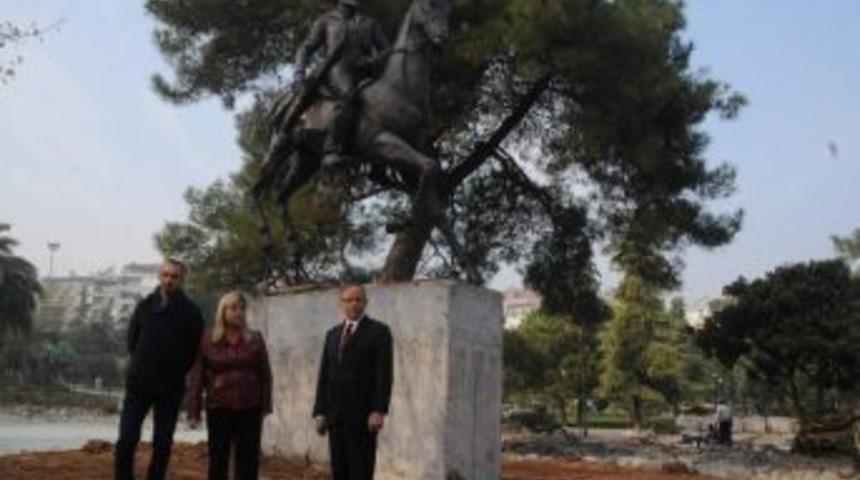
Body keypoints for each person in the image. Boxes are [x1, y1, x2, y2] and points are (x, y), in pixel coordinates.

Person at [115, 258, 204, 480]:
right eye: (165, 275)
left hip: (170, 387)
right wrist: (141, 363)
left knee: (163, 442)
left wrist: (174, 369)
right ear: (159, 276)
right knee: (127, 438)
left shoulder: (191, 312)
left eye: (174, 276)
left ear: (182, 279)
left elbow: (193, 351)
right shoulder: (144, 306)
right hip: (138, 383)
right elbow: (132, 340)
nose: (169, 280)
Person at [187, 291, 273, 480]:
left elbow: (265, 375)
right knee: (218, 461)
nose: (239, 312)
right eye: (233, 308)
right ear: (223, 311)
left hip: (249, 407)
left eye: (242, 308)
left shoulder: (255, 338)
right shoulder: (208, 338)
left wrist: (265, 406)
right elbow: (197, 377)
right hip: (218, 407)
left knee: (248, 462)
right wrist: (193, 411)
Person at [293, 0, 390, 165]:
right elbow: (306, 48)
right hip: (338, 71)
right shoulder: (326, 20)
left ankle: (380, 158)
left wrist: (373, 61)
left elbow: (387, 49)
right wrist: (299, 73)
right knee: (349, 95)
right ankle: (330, 147)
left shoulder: (370, 23)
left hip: (365, 71)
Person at [313, 284, 393, 480]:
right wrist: (320, 411)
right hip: (335, 416)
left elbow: (384, 373)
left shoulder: (379, 332)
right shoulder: (332, 334)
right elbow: (324, 375)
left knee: (360, 470)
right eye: (349, 300)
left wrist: (378, 410)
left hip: (363, 417)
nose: (354, 304)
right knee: (339, 470)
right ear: (341, 304)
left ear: (365, 302)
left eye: (358, 299)